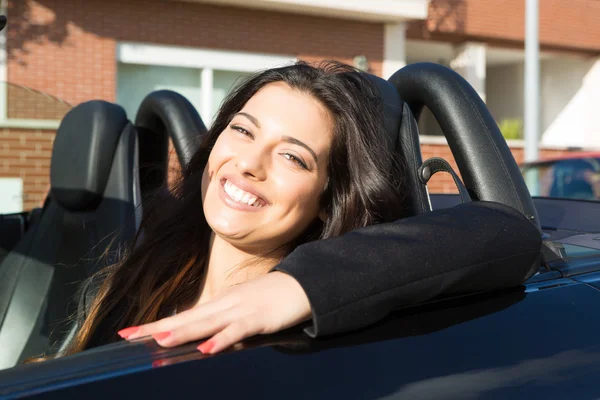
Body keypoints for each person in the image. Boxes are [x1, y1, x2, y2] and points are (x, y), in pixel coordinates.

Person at [56, 61, 541, 358]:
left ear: (327, 199)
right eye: (242, 130)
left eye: (292, 156)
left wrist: (298, 285)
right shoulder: (147, 262)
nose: (248, 163)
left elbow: (509, 232)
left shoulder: (303, 332)